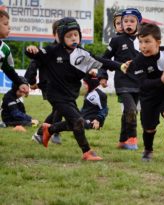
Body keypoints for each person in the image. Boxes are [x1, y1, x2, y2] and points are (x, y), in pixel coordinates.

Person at [25, 17, 128, 161]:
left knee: (76, 122)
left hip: (70, 94)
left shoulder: (81, 53)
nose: (73, 38)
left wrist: (120, 66)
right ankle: (87, 152)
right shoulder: (52, 50)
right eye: (69, 36)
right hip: (55, 94)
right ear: (61, 37)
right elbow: (35, 55)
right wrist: (30, 50)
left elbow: (100, 61)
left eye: (76, 35)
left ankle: (49, 129)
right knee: (78, 121)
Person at [126, 23, 164, 162]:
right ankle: (148, 150)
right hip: (148, 97)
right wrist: (161, 80)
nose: (143, 46)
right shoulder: (138, 62)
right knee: (149, 129)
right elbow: (143, 84)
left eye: (147, 41)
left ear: (158, 42)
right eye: (140, 42)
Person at [102, 8, 142, 150]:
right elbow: (103, 59)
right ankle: (132, 139)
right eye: (125, 21)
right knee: (131, 110)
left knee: (128, 111)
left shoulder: (143, 40)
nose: (128, 24)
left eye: (132, 21)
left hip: (139, 82)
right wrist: (103, 75)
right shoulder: (116, 40)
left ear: (138, 23)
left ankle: (122, 140)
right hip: (123, 82)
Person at [26, 20, 63, 145]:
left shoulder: (68, 51)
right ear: (54, 34)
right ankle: (53, 133)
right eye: (59, 33)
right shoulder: (48, 50)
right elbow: (33, 64)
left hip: (62, 86)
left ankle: (41, 134)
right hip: (48, 85)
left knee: (58, 109)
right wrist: (31, 82)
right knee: (59, 108)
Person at [0, 10, 29, 96]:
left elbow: (9, 70)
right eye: (5, 24)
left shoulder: (5, 49)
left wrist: (20, 83)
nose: (9, 27)